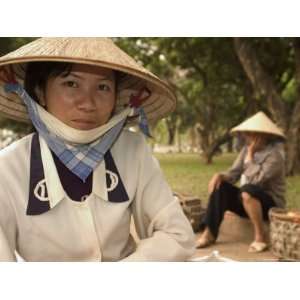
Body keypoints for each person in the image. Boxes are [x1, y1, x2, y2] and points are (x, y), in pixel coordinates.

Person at [0, 37, 195, 261]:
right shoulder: (6, 170)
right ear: (41, 92)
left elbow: (177, 236)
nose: (88, 103)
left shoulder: (133, 150)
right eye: (71, 83)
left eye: (103, 87)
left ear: (115, 99)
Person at [196, 111, 286, 253]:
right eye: (247, 133)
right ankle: (209, 233)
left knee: (247, 191)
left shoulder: (275, 156)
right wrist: (220, 176)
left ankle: (260, 237)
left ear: (263, 136)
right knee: (221, 186)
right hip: (247, 199)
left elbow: (256, 181)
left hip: (269, 204)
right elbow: (234, 173)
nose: (248, 137)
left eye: (252, 134)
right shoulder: (245, 150)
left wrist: (250, 157)